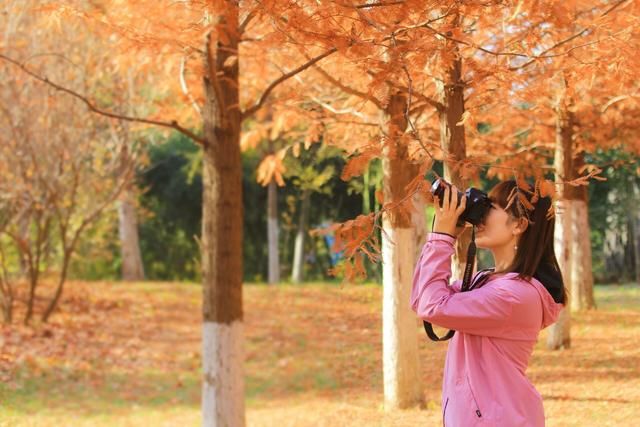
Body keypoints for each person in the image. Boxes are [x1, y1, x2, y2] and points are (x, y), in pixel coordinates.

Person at [410, 180, 567, 427]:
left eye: (491, 207)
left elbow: (432, 305)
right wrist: (443, 233)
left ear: (519, 224)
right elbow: (421, 298)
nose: (480, 215)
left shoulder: (515, 296)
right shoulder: (487, 280)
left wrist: (442, 237)